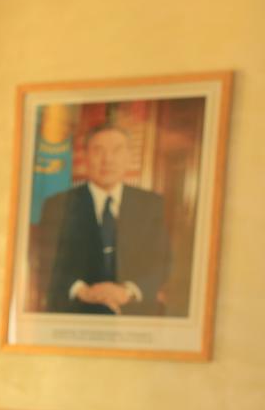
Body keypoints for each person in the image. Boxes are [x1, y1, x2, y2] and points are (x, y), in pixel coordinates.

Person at [41, 122, 171, 314]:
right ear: (85, 157)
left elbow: (163, 262)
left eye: (117, 151)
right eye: (98, 151)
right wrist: (82, 291)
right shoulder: (58, 205)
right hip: (76, 311)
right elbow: (45, 262)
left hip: (136, 311)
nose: (107, 160)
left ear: (129, 157)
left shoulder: (151, 204)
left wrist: (127, 291)